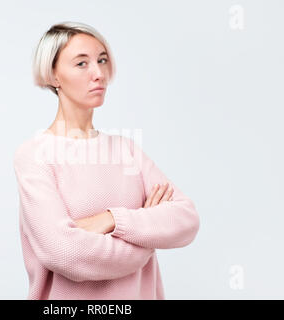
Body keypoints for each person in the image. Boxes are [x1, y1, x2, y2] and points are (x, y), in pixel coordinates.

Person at [13, 21, 200, 300]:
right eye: (81, 64)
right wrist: (148, 236)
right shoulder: (34, 155)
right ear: (53, 75)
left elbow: (186, 220)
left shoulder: (127, 150)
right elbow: (67, 254)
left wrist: (112, 219)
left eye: (102, 60)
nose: (99, 73)